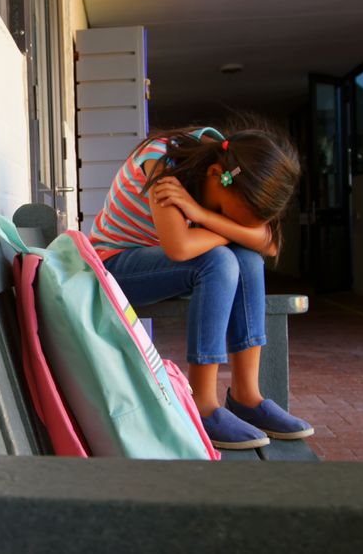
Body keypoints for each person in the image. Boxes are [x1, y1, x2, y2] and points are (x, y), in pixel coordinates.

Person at [89, 124, 314, 450]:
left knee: (248, 260)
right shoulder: (161, 162)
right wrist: (234, 232)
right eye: (225, 212)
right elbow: (179, 247)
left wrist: (203, 215)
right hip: (114, 268)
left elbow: (269, 243)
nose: (230, 221)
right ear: (214, 174)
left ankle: (246, 396)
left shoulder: (236, 167)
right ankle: (202, 404)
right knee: (222, 260)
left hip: (166, 266)